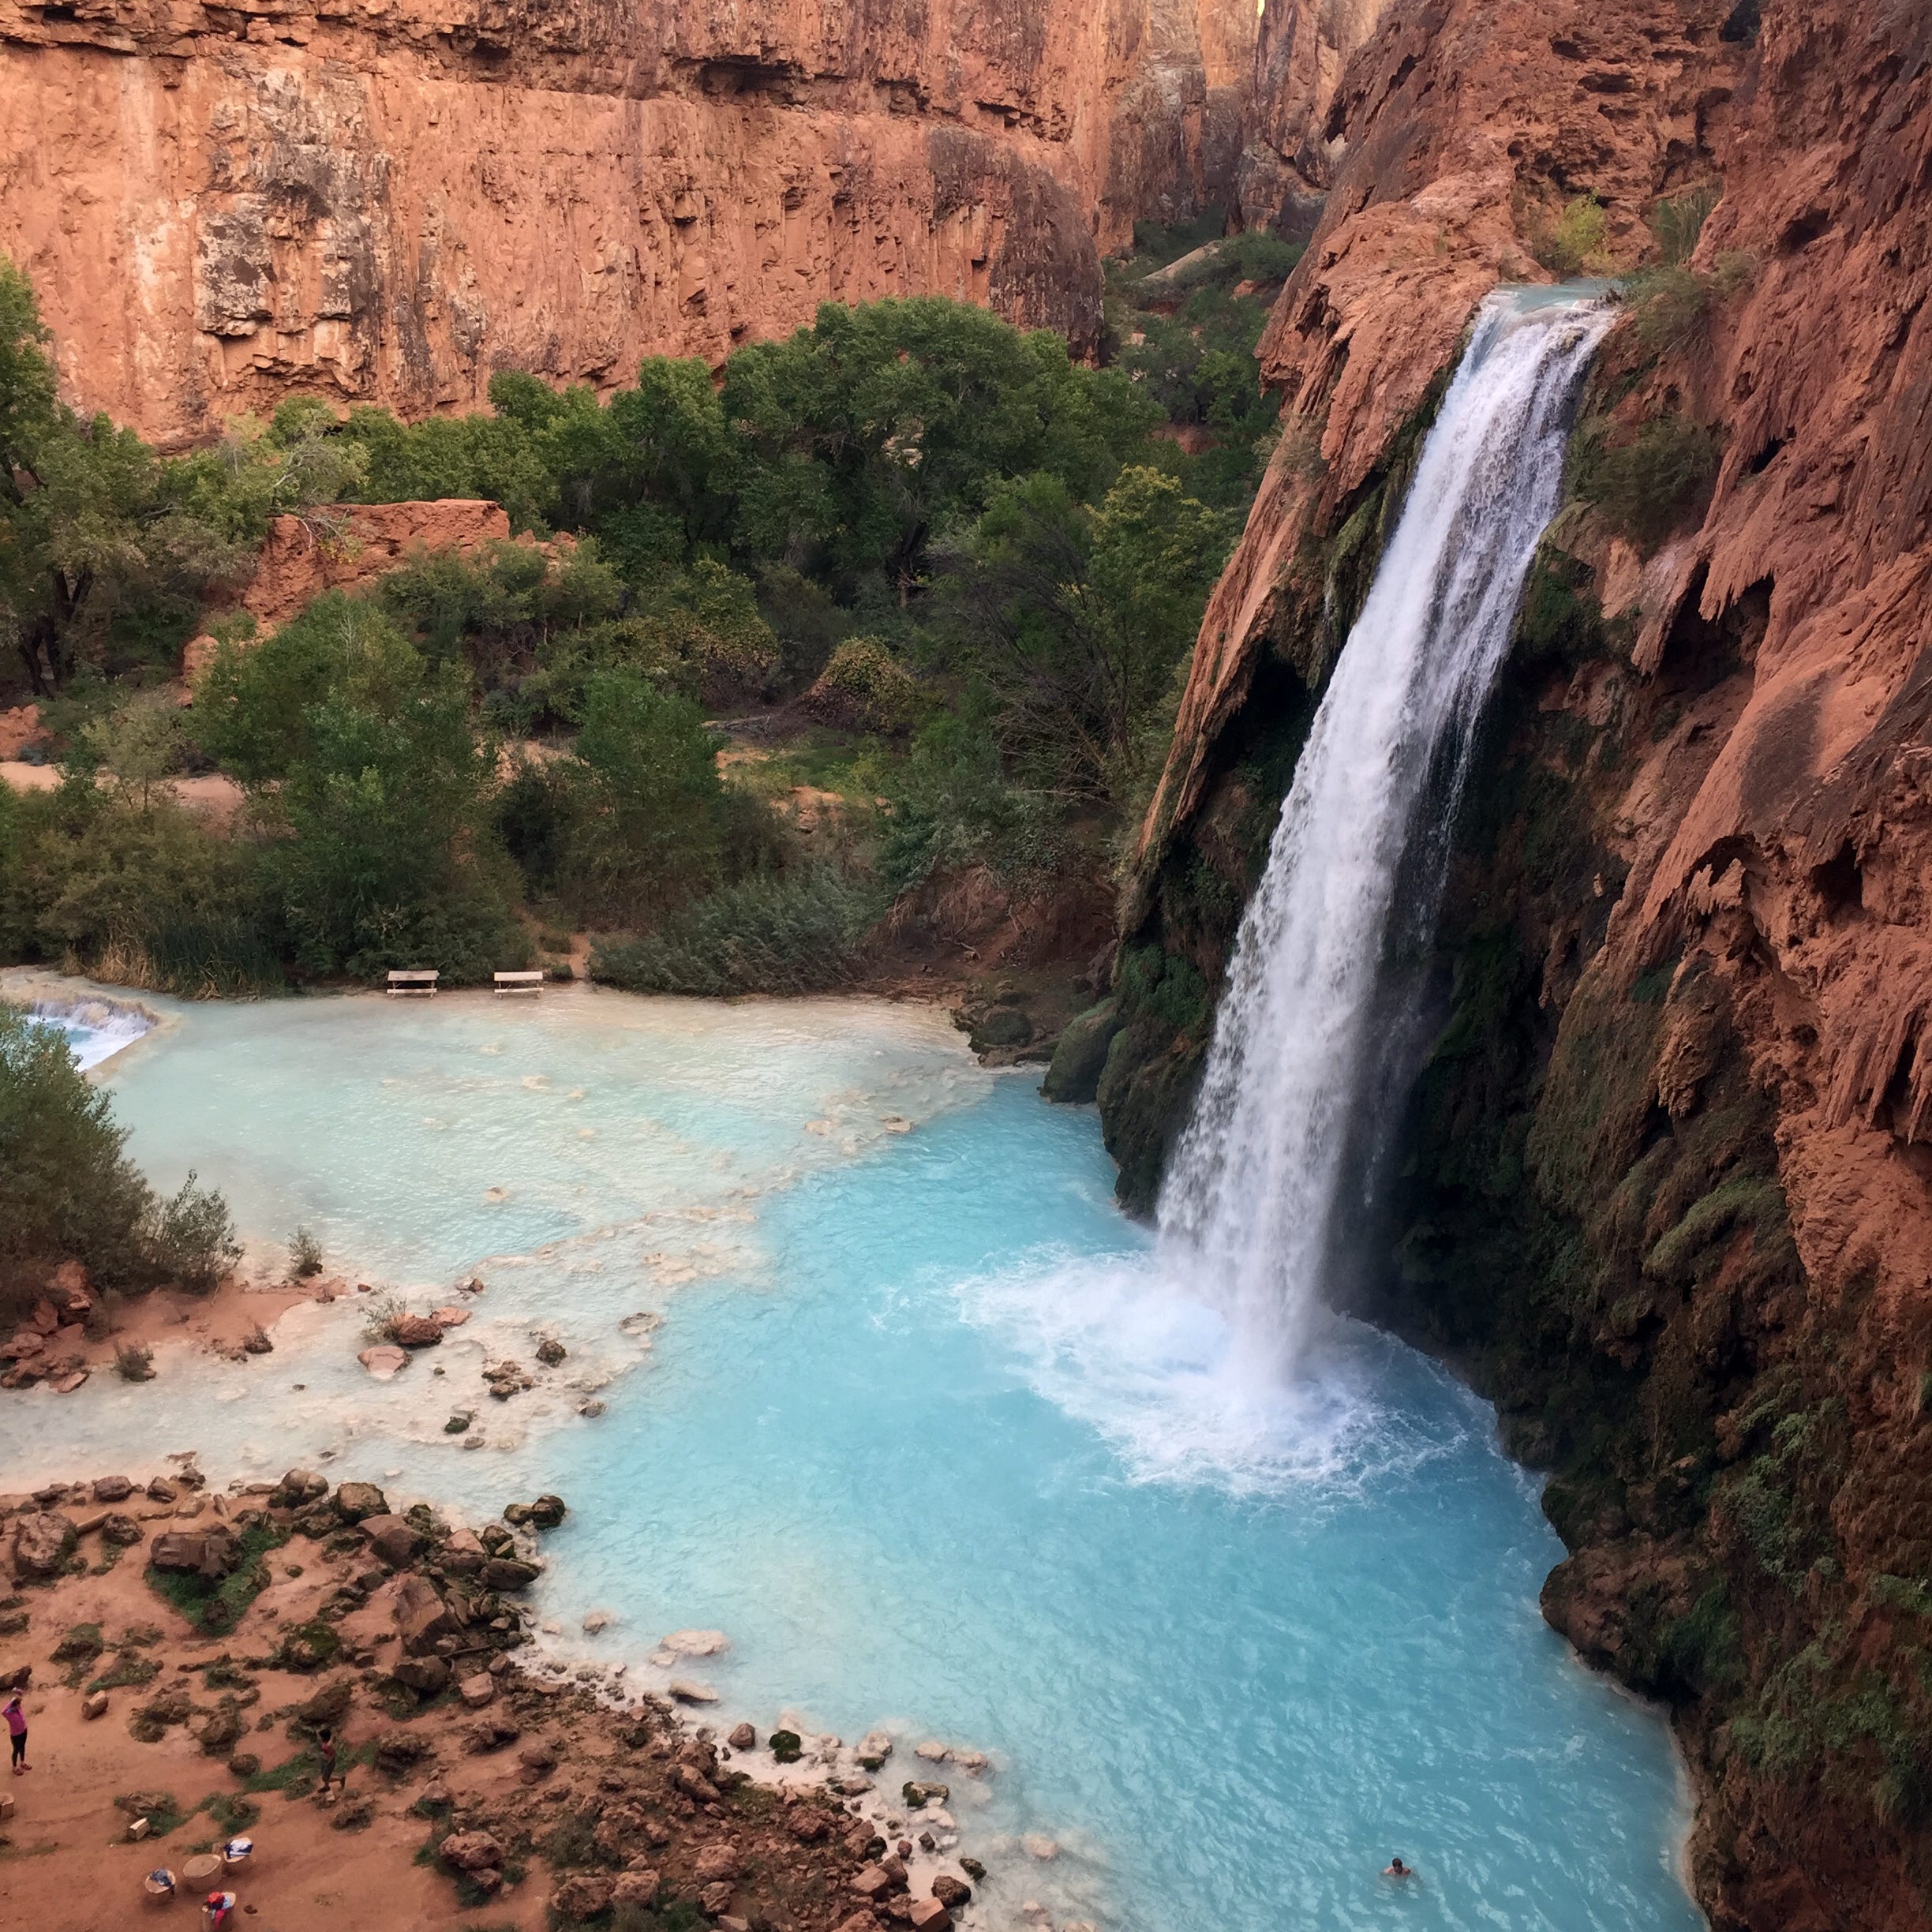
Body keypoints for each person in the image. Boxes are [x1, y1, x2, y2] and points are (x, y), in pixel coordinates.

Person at [5, 1691, 27, 1774]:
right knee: (16, 1750)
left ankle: (22, 1762)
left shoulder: (19, 1708)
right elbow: (3, 1711)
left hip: (24, 1730)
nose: (19, 1705)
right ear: (13, 1705)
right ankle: (14, 1767)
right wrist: (11, 1702)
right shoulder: (9, 1713)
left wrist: (16, 1691)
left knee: (23, 1747)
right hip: (16, 1734)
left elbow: (21, 1693)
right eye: (18, 1704)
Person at [315, 1724, 339, 1796]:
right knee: (325, 1776)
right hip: (324, 1761)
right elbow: (319, 1737)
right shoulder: (325, 1742)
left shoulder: (328, 1745)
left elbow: (334, 1754)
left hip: (329, 1762)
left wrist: (329, 1762)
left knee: (325, 1778)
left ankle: (340, 1779)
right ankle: (326, 1787)